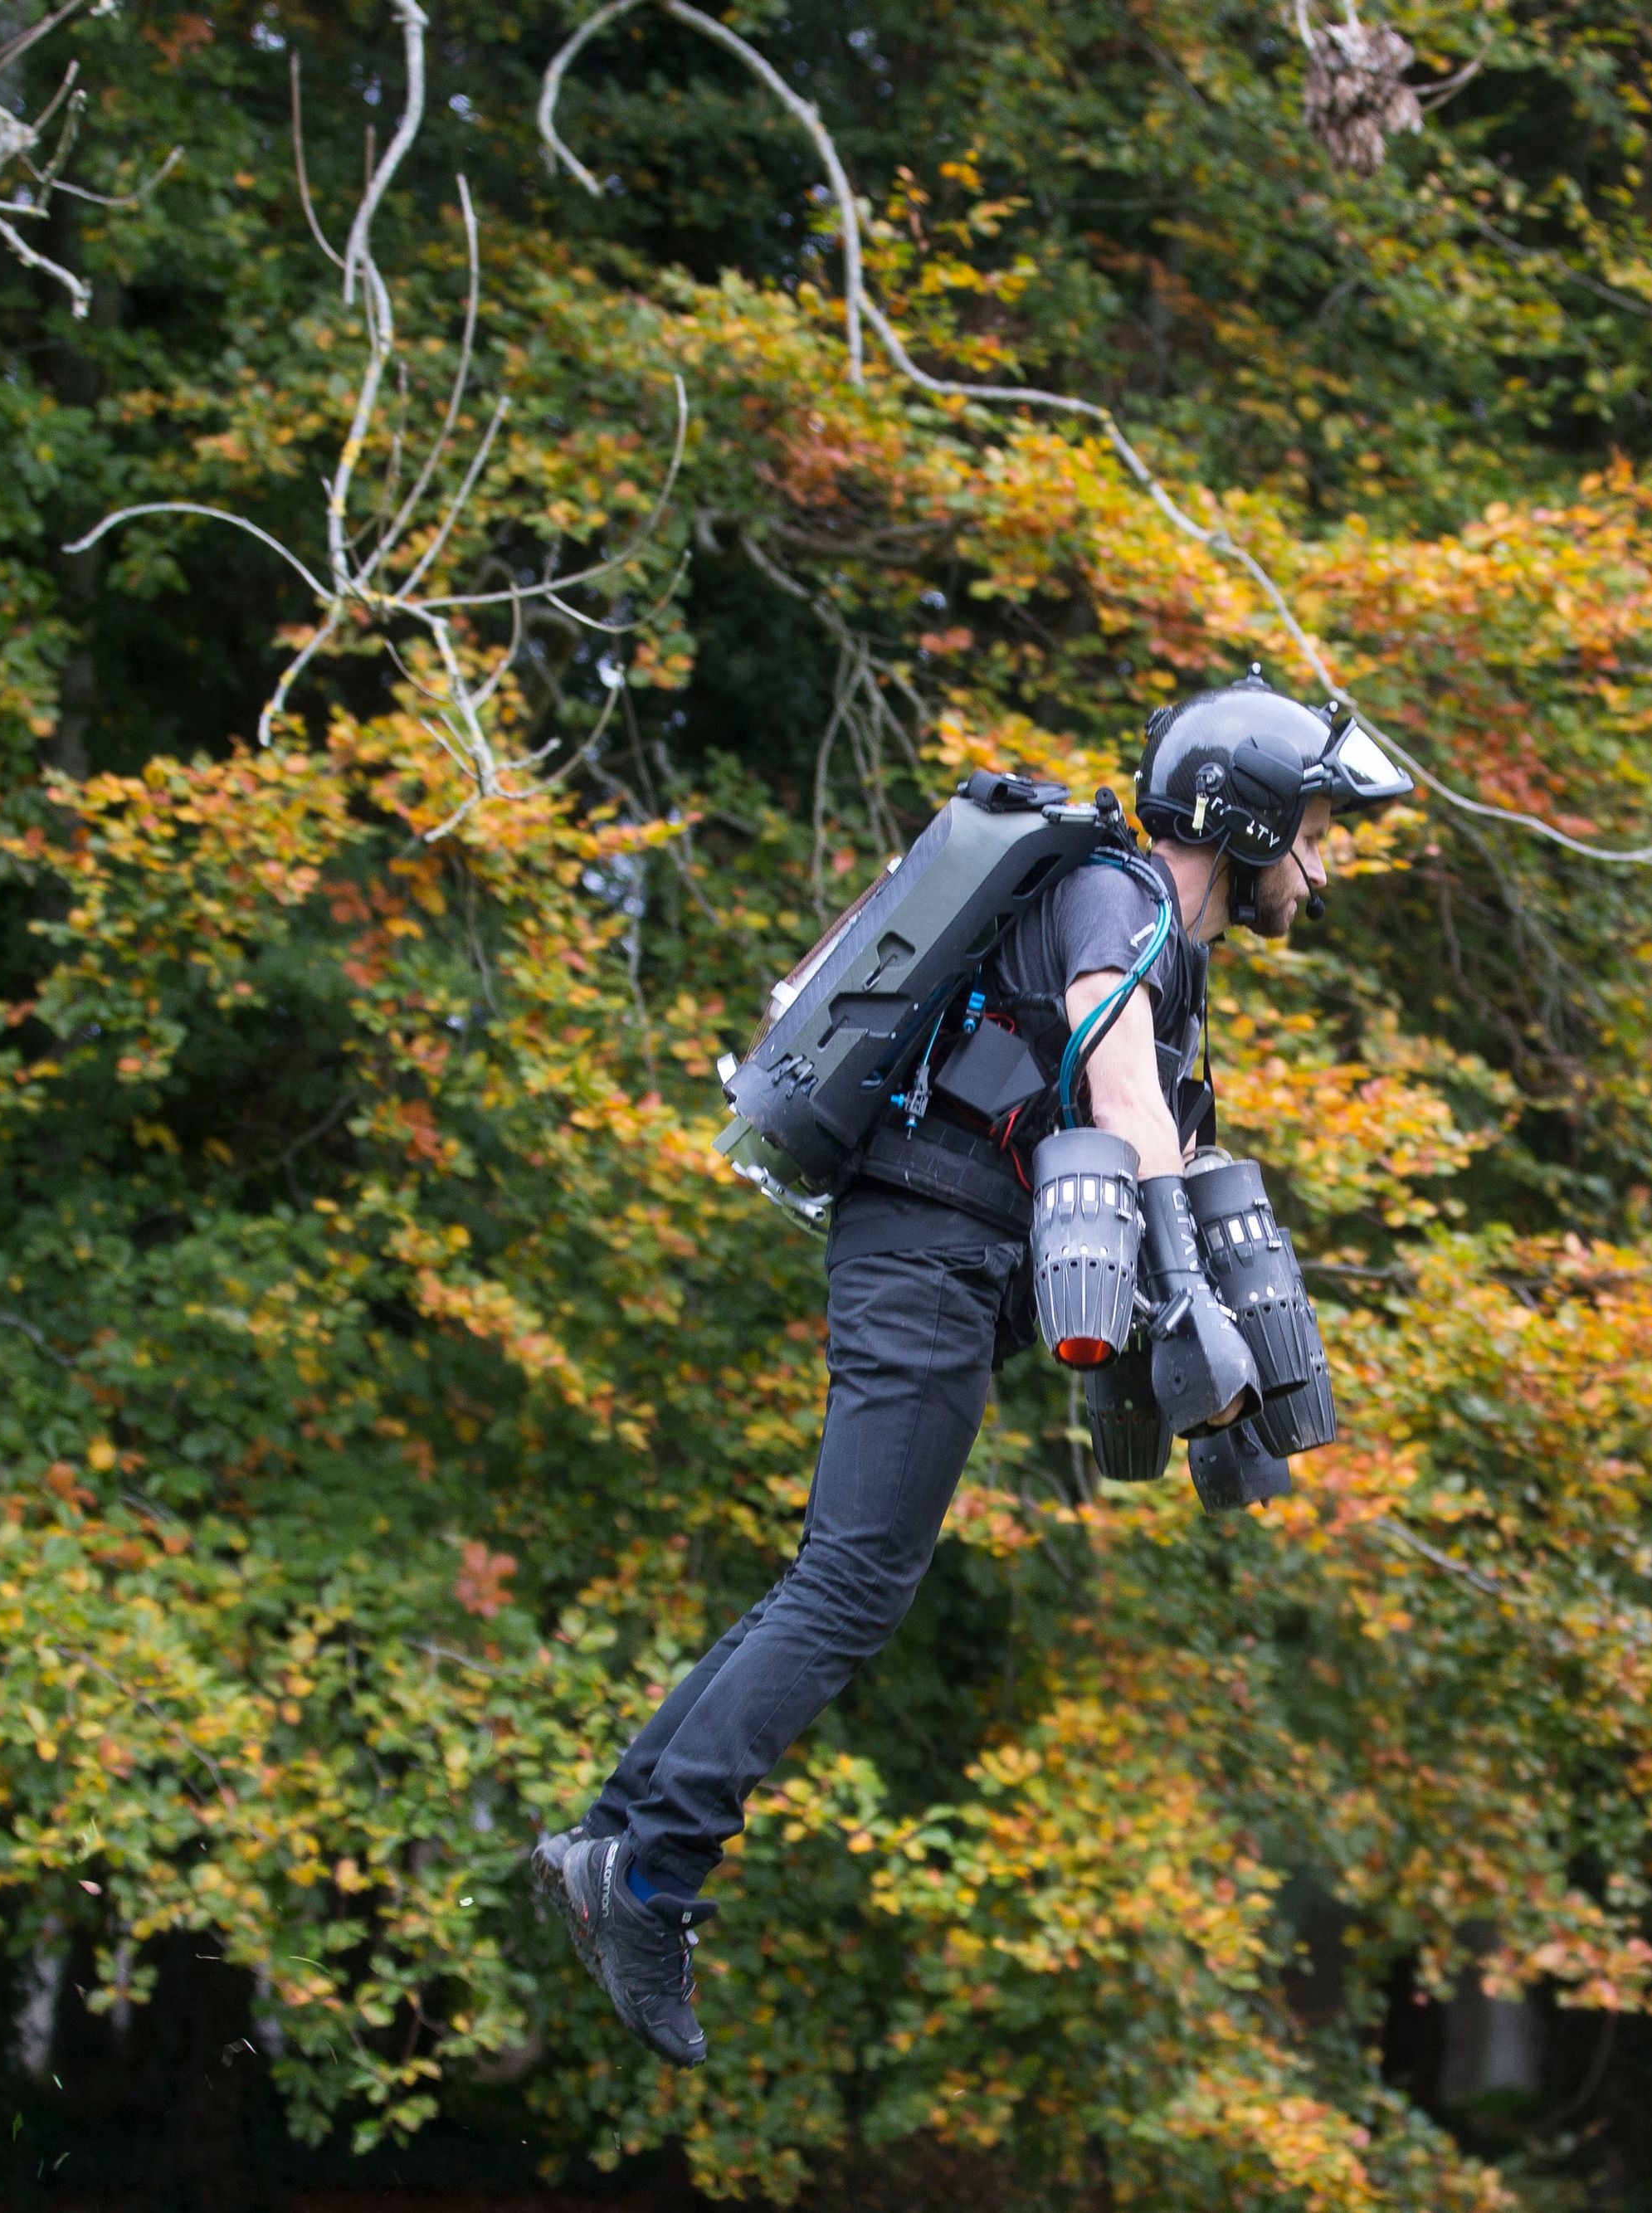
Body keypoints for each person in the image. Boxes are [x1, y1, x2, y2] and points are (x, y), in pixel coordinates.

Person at [524, 675, 1414, 2067]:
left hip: (952, 1259)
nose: (1324, 857)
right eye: (1314, 824)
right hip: (926, 1249)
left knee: (836, 1574)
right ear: (1240, 819)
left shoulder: (1147, 937)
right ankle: (648, 1881)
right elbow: (1120, 1102)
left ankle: (615, 1842)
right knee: (853, 1582)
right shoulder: (1118, 905)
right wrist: (1194, 1310)